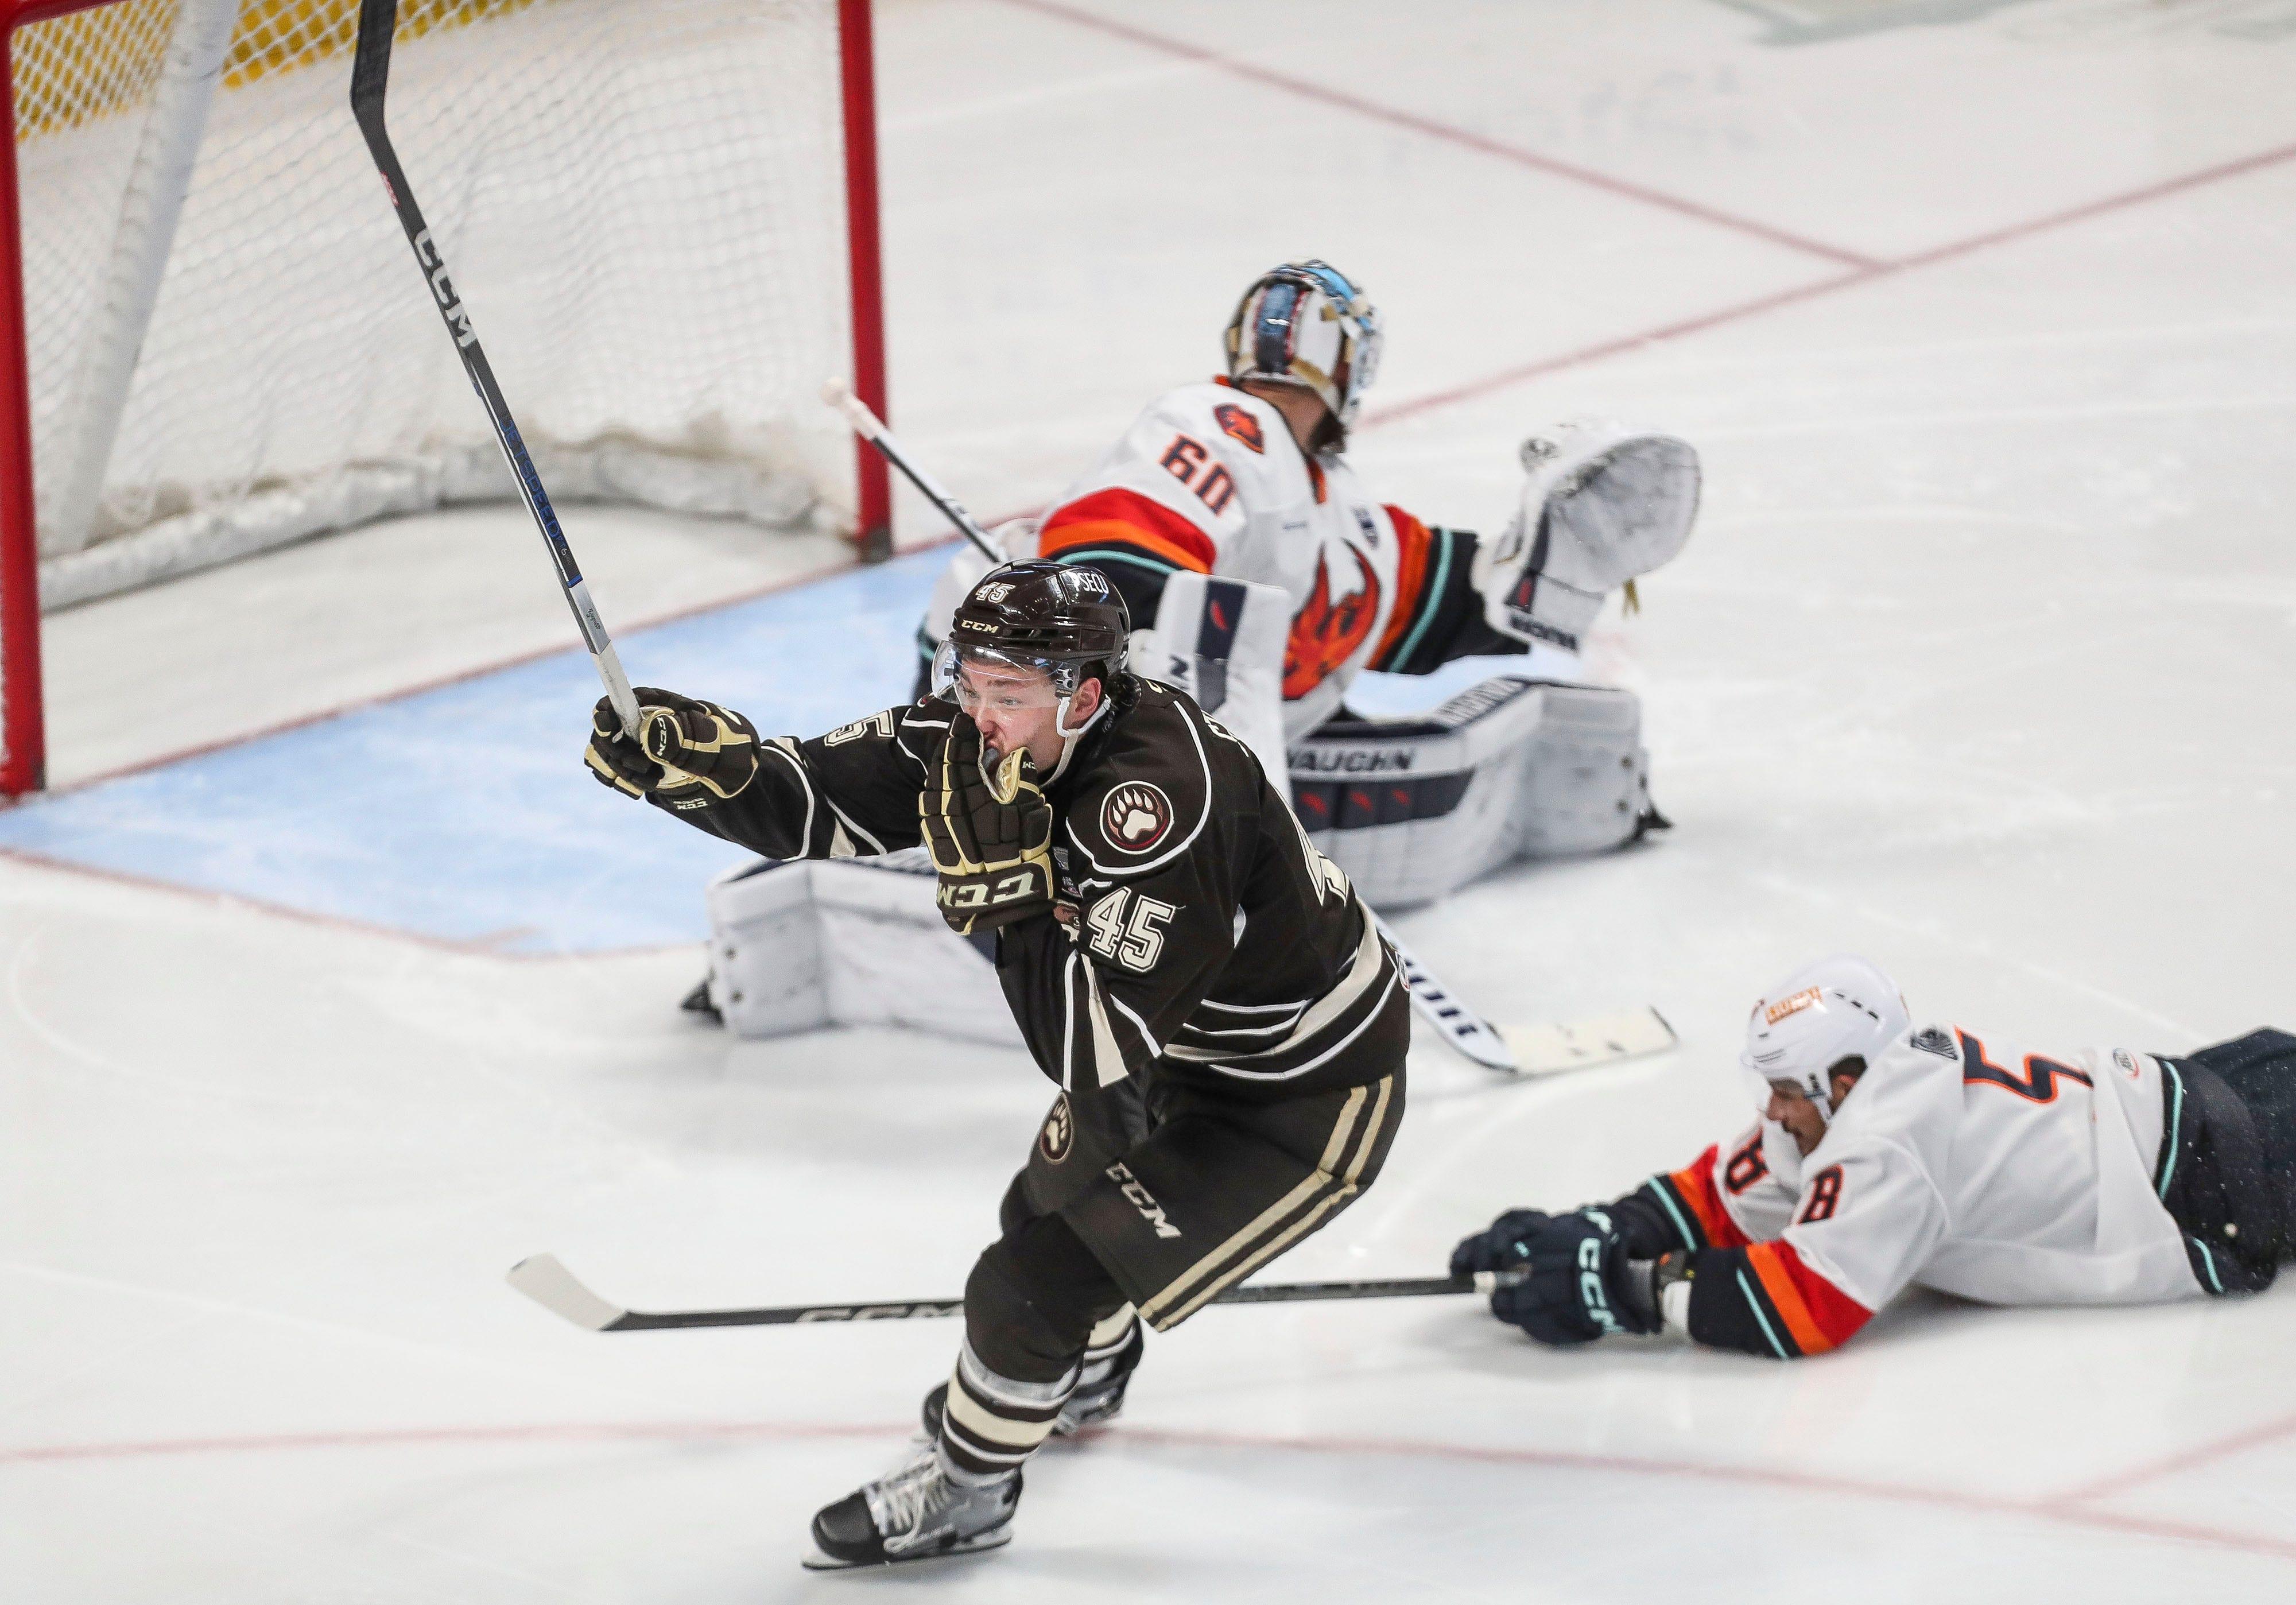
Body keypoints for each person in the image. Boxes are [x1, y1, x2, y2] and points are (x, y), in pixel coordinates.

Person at [586, 560, 1409, 1566]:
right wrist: (707, 775)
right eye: (968, 683)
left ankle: (970, 1494)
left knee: (1029, 1286)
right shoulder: (983, 734)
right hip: (1169, 1045)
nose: (978, 716)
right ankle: (1082, 1374)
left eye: (1007, 696)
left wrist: (1006, 894)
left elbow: (1087, 1052)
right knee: (1039, 1213)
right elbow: (816, 797)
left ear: (1087, 696)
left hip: (1298, 1094)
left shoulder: (1157, 808)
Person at [914, 258, 1702, 909]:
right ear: (1353, 373)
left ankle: (1196, 846)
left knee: (1529, 734)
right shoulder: (1215, 426)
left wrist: (1557, 565)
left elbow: (1445, 606)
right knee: (1201, 626)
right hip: (1021, 725)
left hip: (1205, 770)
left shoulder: (1352, 521)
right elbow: (1109, 567)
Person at [1451, 953, 2295, 1358]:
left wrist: (1620, 1286)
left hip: (2216, 1185)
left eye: (1789, 1088)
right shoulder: (1847, 1096)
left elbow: (1804, 1307)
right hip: (2203, 1099)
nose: (1773, 1110)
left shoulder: (1887, 1136)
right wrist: (1598, 1225)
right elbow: (1721, 1195)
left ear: (1847, 1077)